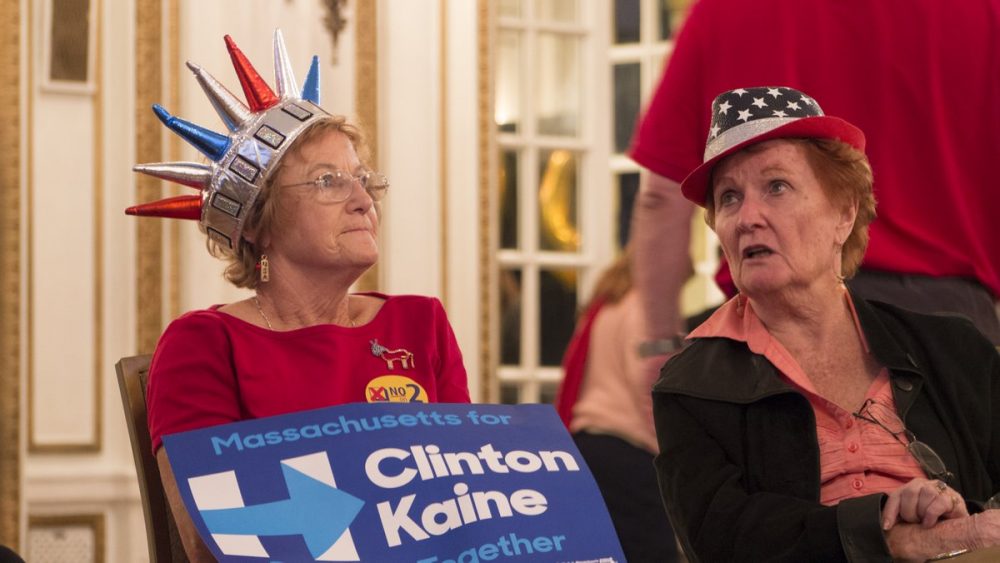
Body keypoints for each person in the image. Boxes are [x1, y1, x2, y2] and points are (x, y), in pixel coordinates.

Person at [126, 31, 470, 561]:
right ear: (258, 222)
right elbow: (215, 541)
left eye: (363, 179)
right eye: (328, 181)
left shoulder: (418, 324)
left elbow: (471, 503)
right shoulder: (204, 344)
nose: (362, 199)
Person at [652, 86, 1000, 562]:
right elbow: (721, 539)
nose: (748, 217)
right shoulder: (692, 384)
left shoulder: (952, 348)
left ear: (844, 212)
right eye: (729, 198)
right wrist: (888, 536)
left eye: (777, 187)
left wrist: (955, 521)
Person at [629, 0, 1000, 350]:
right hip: (955, 327)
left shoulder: (724, 9)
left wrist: (659, 346)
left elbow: (661, 198)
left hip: (775, 333)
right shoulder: (982, 12)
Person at [555, 254, 680, 562]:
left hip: (588, 449)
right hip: (630, 457)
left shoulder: (607, 304)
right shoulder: (648, 309)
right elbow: (652, 387)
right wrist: (677, 455)